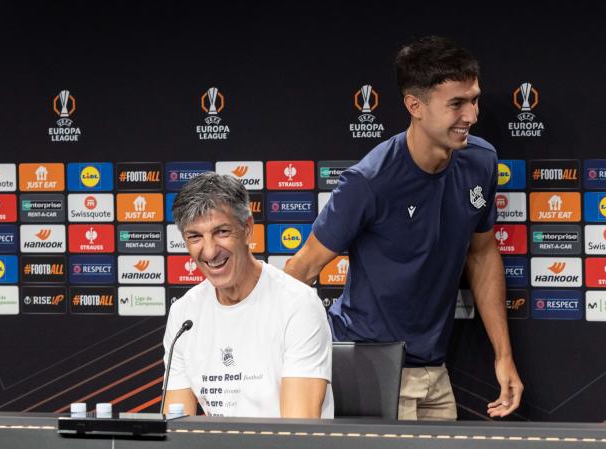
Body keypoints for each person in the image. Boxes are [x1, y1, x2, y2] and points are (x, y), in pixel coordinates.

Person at [284, 36, 523, 420]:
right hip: (369, 369)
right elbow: (301, 270)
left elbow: (481, 254)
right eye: (456, 104)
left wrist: (504, 356)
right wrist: (294, 375)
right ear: (415, 106)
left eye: (474, 99)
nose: (472, 116)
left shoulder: (481, 160)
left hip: (434, 370)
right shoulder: (368, 181)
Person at [163, 172, 333, 418]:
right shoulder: (183, 315)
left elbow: (298, 433)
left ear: (247, 229)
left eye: (221, 231)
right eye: (195, 237)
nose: (210, 252)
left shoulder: (298, 304)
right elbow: (175, 427)